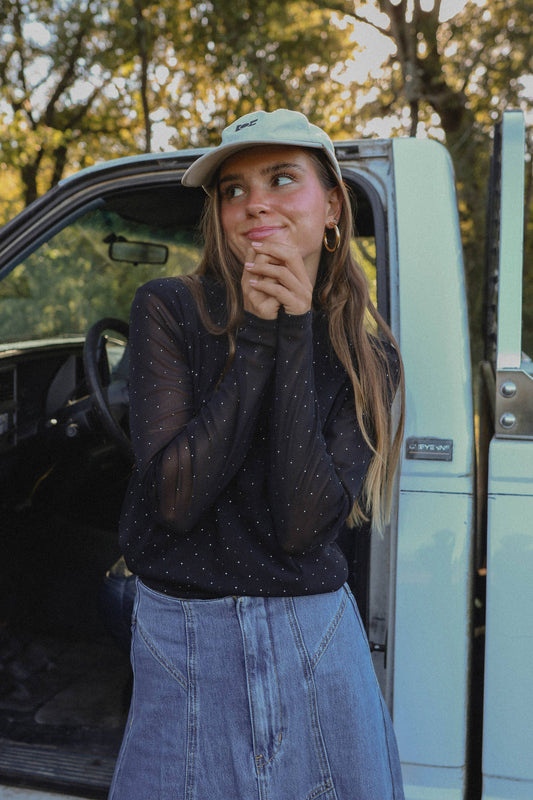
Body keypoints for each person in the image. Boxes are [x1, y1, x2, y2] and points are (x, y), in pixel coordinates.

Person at [109, 108, 405, 800]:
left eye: (280, 178)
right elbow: (175, 500)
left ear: (331, 205)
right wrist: (262, 343)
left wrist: (297, 332)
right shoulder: (170, 309)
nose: (254, 204)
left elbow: (303, 525)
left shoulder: (367, 352)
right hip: (183, 641)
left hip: (313, 639)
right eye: (232, 190)